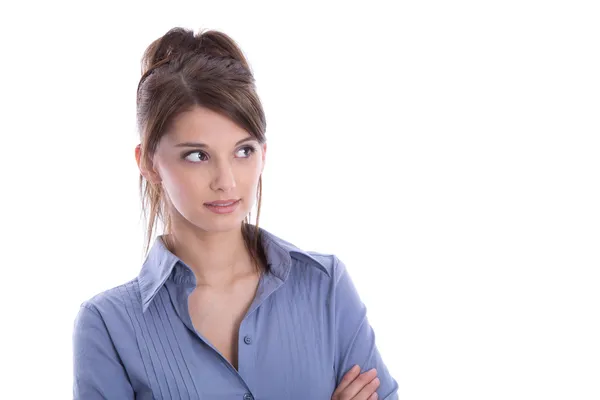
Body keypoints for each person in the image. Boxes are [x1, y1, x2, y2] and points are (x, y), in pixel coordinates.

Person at [72, 26, 399, 400]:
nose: (226, 181)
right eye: (197, 155)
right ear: (148, 161)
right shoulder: (108, 327)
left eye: (243, 151)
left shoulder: (325, 287)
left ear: (264, 152)